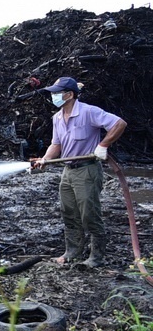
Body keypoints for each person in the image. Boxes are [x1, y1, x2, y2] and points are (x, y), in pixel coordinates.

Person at [32, 77, 126, 268]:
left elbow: (119, 124)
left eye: (57, 92)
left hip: (87, 170)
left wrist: (103, 145)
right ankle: (72, 252)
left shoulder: (89, 112)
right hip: (68, 170)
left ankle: (96, 257)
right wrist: (45, 159)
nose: (53, 96)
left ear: (69, 95)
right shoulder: (57, 118)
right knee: (69, 212)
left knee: (89, 214)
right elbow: (56, 144)